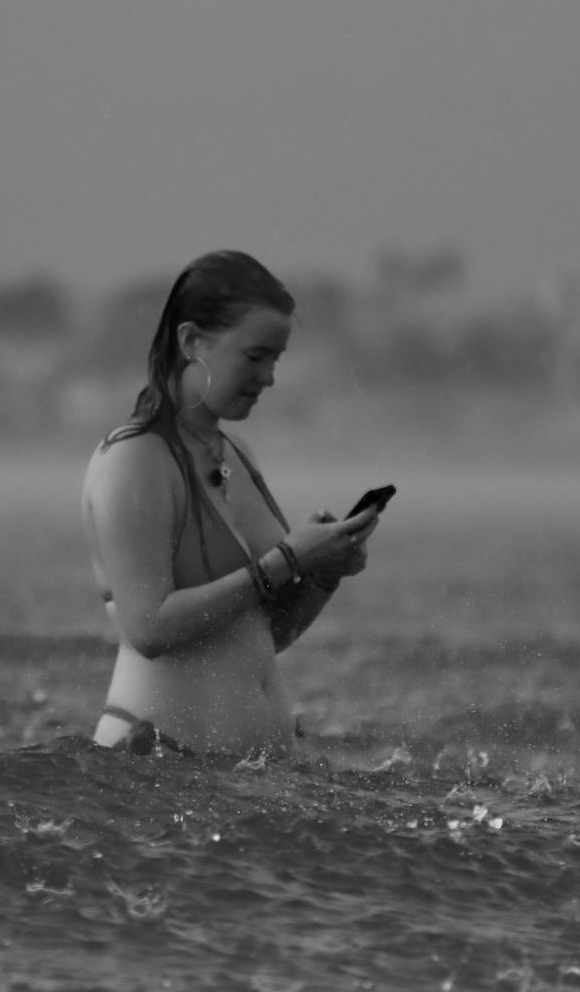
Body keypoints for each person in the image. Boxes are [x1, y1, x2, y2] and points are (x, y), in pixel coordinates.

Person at [82, 250, 380, 758]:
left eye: (276, 359)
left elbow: (266, 633)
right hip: (153, 777)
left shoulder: (236, 453)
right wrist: (287, 561)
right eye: (255, 356)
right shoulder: (134, 459)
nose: (268, 377)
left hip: (239, 783)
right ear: (192, 341)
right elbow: (148, 627)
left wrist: (323, 573)